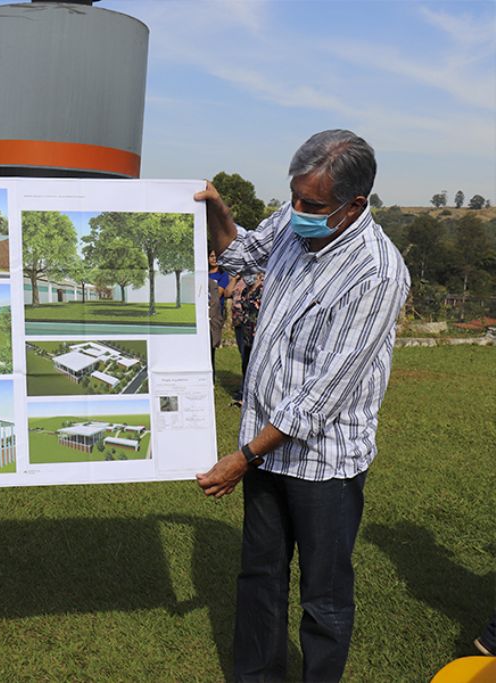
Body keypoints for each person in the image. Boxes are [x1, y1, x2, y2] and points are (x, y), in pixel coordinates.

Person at [194, 130, 409, 682]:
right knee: (260, 577)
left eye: (311, 205)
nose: (296, 213)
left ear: (353, 205)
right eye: (293, 197)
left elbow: (321, 399)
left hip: (324, 464)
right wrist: (219, 208)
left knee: (325, 596)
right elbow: (238, 252)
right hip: (267, 451)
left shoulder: (376, 274)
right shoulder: (294, 221)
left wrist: (242, 457)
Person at [230, 271, 264, 400]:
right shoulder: (245, 291)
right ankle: (245, 392)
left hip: (259, 333)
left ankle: (257, 394)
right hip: (247, 333)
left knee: (257, 365)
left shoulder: (263, 290)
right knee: (246, 362)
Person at [208, 249, 236, 379]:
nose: (214, 259)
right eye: (211, 256)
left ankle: (211, 377)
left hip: (214, 314)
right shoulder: (203, 274)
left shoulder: (222, 276)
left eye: (216, 256)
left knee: (211, 347)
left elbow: (218, 294)